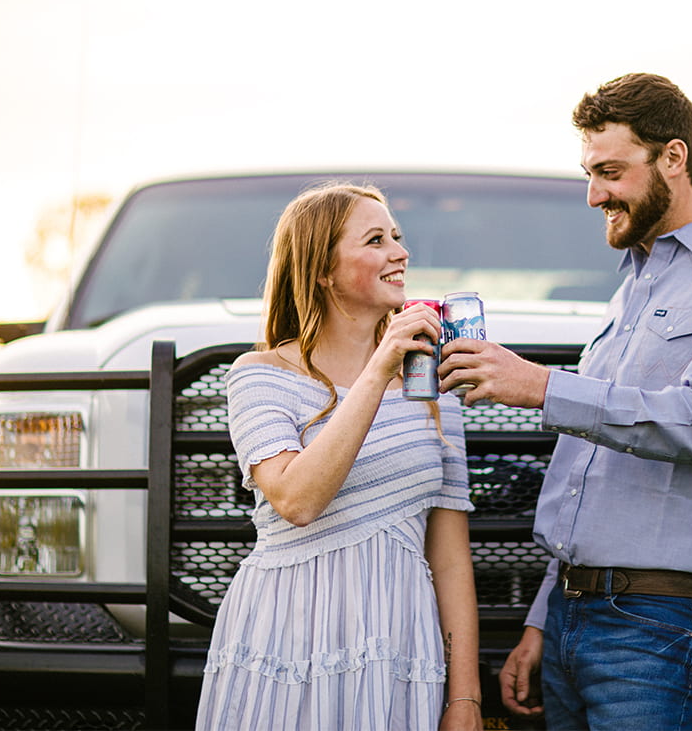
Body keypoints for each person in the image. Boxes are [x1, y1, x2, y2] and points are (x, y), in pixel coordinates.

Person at [438, 73, 692, 730]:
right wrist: (541, 621)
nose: (593, 194)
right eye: (589, 172)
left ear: (674, 156)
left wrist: (542, 386)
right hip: (572, 621)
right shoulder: (632, 286)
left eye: (609, 171)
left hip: (663, 629)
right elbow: (593, 480)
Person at [197, 182, 483, 731]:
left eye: (397, 237)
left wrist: (465, 698)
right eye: (376, 240)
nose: (399, 252)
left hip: (398, 642)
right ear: (322, 271)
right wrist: (380, 368)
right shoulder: (257, 375)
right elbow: (297, 499)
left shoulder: (432, 390)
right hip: (288, 636)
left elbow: (449, 558)